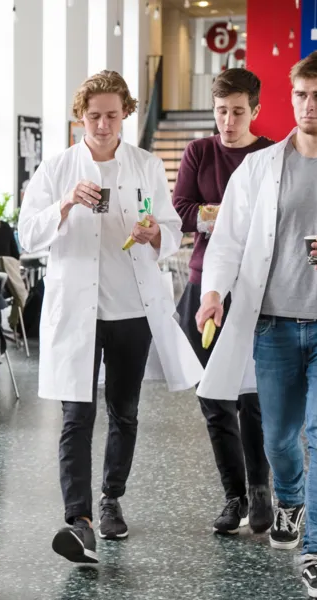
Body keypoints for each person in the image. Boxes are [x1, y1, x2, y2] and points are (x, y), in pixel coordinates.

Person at [18, 70, 201, 565]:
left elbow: (171, 225)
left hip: (130, 309)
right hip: (76, 311)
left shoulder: (144, 165)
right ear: (81, 116)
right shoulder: (57, 168)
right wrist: (64, 204)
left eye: (112, 115)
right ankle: (78, 520)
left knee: (124, 411)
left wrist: (154, 234)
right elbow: (25, 237)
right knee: (76, 415)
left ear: (126, 115)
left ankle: (111, 499)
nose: (103, 125)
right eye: (94, 115)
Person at [196, 51, 317, 597]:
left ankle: (314, 549)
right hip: (271, 323)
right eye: (301, 95)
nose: (309, 106)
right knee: (280, 438)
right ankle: (289, 500)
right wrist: (213, 294)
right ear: (289, 99)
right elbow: (228, 241)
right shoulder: (262, 167)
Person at [172, 68, 274, 536]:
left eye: (236, 112)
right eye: (220, 112)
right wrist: (225, 215)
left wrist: (215, 216)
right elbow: (182, 210)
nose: (227, 121)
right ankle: (232, 494)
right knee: (213, 397)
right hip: (203, 284)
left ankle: (260, 491)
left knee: (252, 398)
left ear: (254, 110)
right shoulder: (199, 152)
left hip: (256, 290)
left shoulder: (270, 157)